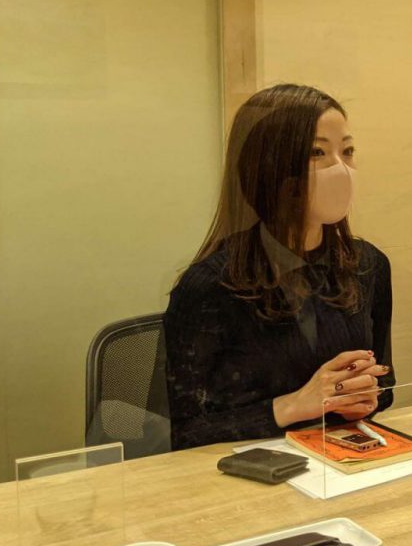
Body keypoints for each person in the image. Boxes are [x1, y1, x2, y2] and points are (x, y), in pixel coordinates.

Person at [165, 84, 395, 450]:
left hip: (343, 459)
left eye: (347, 151)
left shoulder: (368, 265)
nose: (341, 169)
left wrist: (364, 397)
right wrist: (294, 405)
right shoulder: (209, 286)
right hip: (250, 468)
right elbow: (186, 432)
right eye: (318, 152)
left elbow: (385, 387)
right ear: (270, 166)